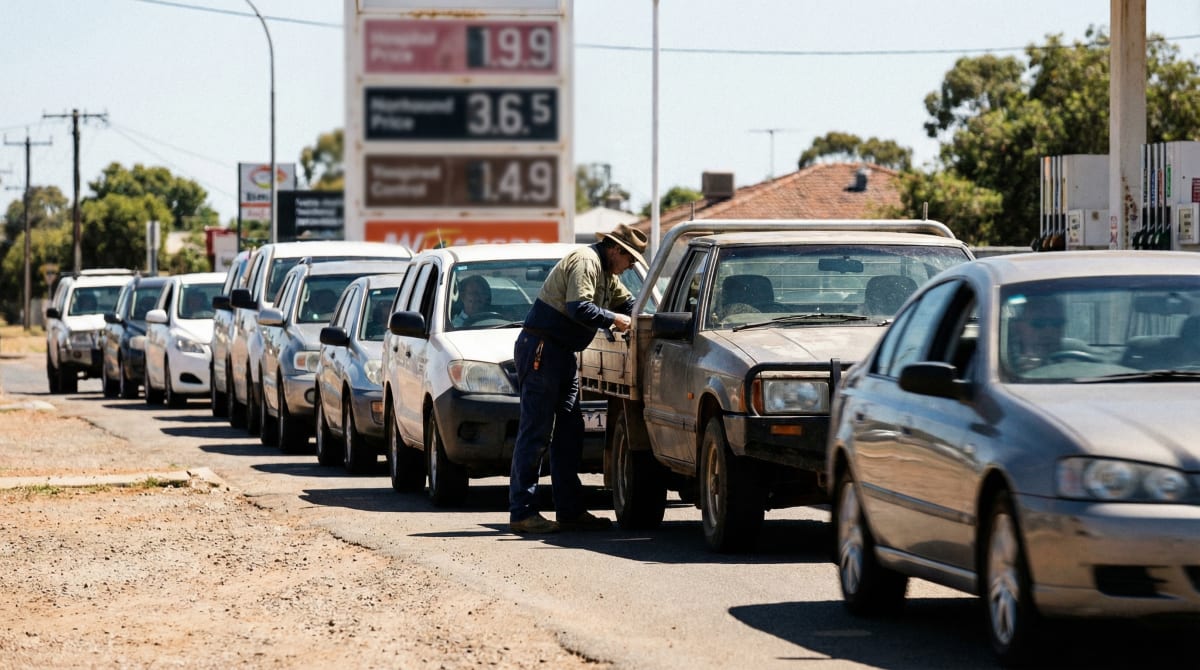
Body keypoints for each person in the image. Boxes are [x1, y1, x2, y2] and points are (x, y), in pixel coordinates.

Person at [508, 222, 647, 534]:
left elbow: (628, 304)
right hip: (544, 350)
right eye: (629, 260)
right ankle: (522, 511)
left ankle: (569, 510)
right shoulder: (586, 261)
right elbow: (579, 307)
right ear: (616, 250)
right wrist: (615, 319)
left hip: (562, 354)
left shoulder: (607, 272)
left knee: (569, 432)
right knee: (536, 432)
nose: (629, 268)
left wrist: (645, 314)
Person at [1008, 293, 1066, 372]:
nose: (1049, 331)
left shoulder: (1075, 361)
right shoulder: (1004, 366)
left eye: (1057, 323)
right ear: (1017, 327)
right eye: (1038, 323)